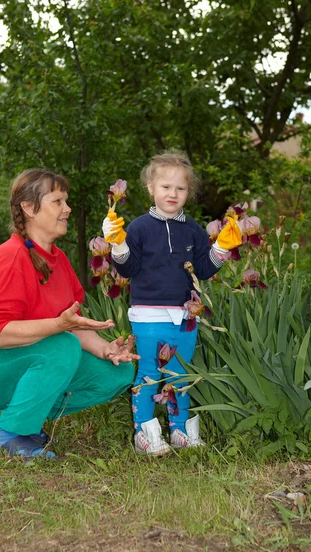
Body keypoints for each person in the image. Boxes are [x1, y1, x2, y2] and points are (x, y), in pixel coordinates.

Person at [0, 169, 139, 459]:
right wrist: (57, 325)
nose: (68, 209)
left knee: (118, 372)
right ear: (29, 208)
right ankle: (9, 434)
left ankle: (27, 416)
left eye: (66, 201)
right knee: (62, 344)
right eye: (58, 201)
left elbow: (72, 324)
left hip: (29, 359)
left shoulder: (58, 260)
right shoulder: (10, 258)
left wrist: (106, 350)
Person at [102, 152, 241, 456]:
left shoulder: (192, 229)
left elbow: (203, 269)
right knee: (149, 372)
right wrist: (117, 243)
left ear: (188, 193)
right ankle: (144, 432)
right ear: (150, 187)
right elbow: (126, 269)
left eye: (180, 188)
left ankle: (179, 429)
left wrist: (222, 246)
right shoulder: (137, 227)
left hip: (185, 316)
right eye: (165, 186)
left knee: (180, 374)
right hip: (148, 315)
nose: (172, 194)